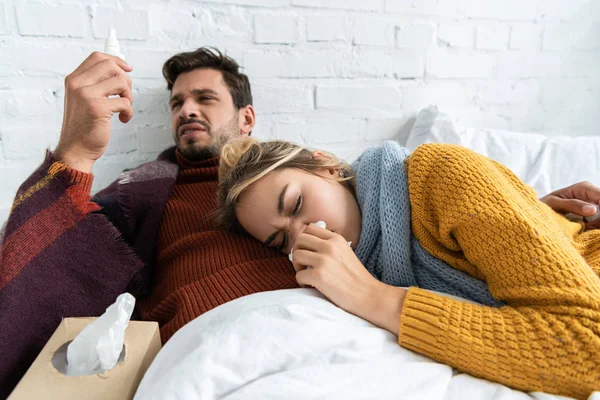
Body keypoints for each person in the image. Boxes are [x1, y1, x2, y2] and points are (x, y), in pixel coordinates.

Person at [0, 47, 598, 397]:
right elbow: (40, 292)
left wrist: (519, 212)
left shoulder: (401, 181)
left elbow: (579, 338)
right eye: (178, 103)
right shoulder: (146, 192)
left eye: (205, 98)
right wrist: (75, 155)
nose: (187, 110)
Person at [215, 137, 600, 399]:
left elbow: (589, 345)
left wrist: (373, 297)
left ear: (327, 166)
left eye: (297, 205)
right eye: (282, 241)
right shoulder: (354, 265)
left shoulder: (442, 173)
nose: (302, 234)